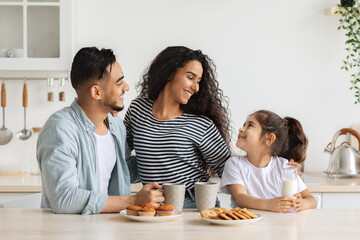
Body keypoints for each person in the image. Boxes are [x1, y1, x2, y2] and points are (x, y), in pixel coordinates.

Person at [37, 47, 164, 214]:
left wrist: (169, 150)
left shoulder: (116, 125)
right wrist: (134, 200)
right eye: (119, 82)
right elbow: (64, 198)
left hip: (108, 226)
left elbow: (126, 170)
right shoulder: (60, 129)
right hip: (69, 231)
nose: (126, 87)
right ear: (96, 91)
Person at [124, 46, 231, 208]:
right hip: (152, 206)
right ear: (170, 73)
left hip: (193, 205)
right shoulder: (138, 109)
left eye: (199, 81)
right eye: (190, 77)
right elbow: (121, 157)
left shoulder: (201, 125)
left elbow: (230, 172)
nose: (196, 87)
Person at [220, 110, 316, 212]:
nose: (241, 129)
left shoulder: (284, 166)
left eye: (250, 125)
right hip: (249, 226)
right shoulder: (235, 164)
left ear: (269, 139)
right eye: (244, 125)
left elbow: (311, 200)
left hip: (281, 225)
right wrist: (268, 204)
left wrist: (302, 204)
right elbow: (240, 197)